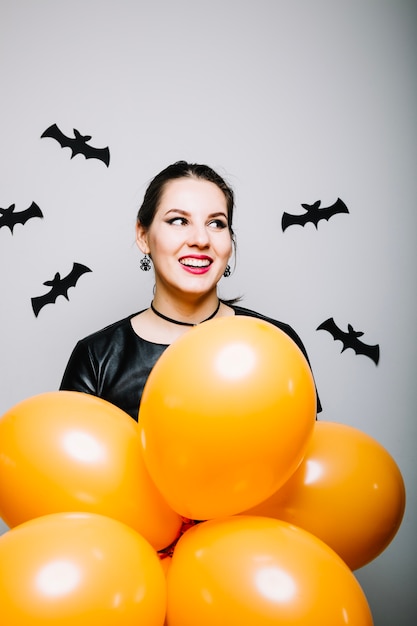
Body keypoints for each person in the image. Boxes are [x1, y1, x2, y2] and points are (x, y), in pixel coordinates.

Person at [60, 160, 321, 420]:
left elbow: (304, 450)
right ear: (143, 236)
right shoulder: (96, 357)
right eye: (178, 220)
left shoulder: (278, 344)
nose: (200, 239)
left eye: (216, 223)